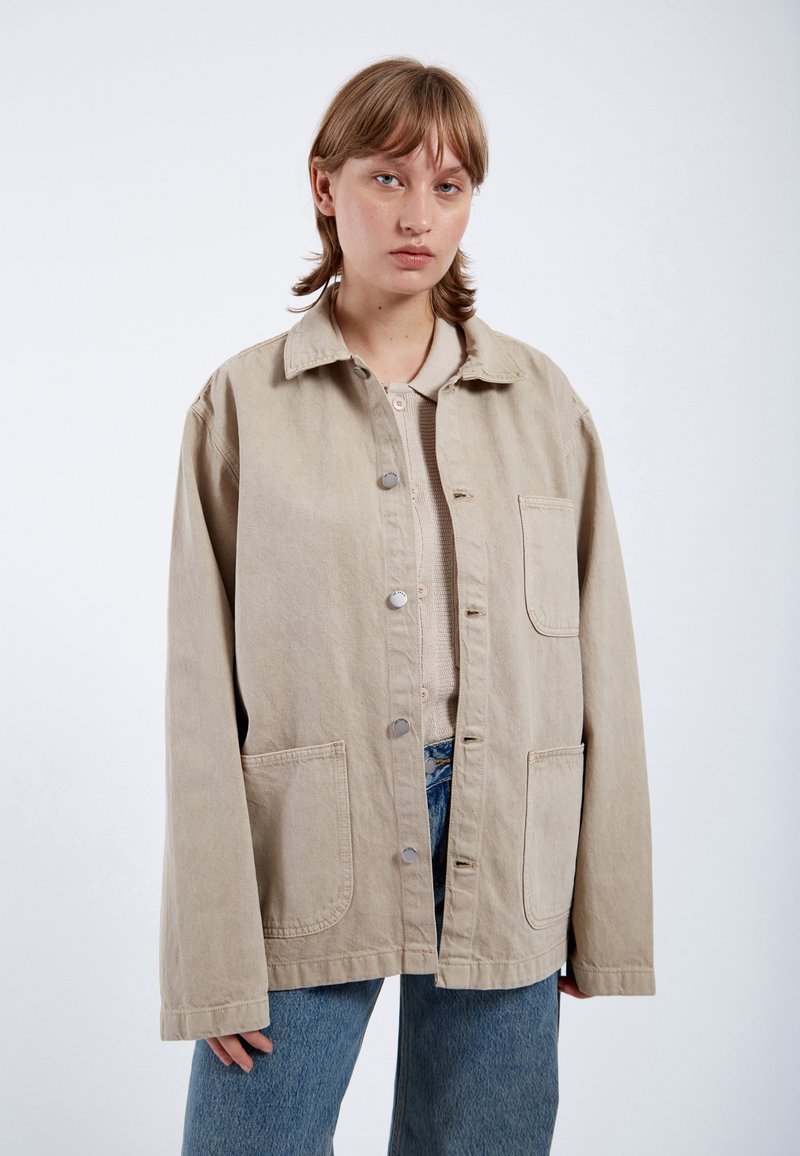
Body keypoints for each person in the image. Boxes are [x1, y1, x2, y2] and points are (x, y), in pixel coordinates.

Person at [159, 56, 656, 1155]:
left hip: (506, 833)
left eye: (448, 185)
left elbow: (602, 665)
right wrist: (212, 954)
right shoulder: (241, 407)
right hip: (305, 843)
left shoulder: (543, 405)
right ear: (324, 185)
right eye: (386, 177)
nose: (418, 215)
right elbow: (198, 696)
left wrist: (604, 907)